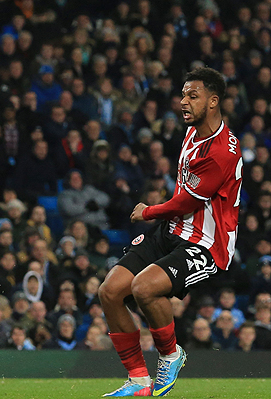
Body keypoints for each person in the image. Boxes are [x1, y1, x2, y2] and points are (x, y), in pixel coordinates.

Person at [98, 68, 242, 397]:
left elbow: (187, 200)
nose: (183, 102)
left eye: (193, 96)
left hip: (206, 245)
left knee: (144, 288)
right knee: (110, 291)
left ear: (213, 101)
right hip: (171, 232)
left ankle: (171, 355)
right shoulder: (193, 132)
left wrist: (146, 211)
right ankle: (139, 382)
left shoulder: (222, 152)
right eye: (183, 95)